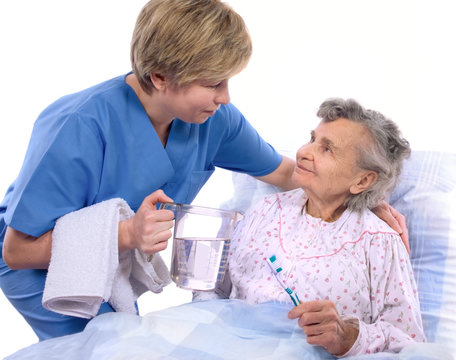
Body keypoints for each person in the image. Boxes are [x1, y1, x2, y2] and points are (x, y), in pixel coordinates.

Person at [0, 0, 406, 342]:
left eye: (227, 80)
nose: (225, 97)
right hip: (42, 264)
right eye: (213, 83)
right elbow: (17, 250)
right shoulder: (78, 125)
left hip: (114, 262)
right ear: (159, 77)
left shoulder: (216, 119)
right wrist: (127, 234)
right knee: (105, 345)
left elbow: (284, 171)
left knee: (125, 340)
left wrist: (367, 199)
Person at [203, 98, 426, 357]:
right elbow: (213, 290)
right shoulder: (264, 211)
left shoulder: (379, 241)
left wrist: (349, 337)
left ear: (363, 179)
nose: (303, 152)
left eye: (327, 149)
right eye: (312, 139)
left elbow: (410, 344)